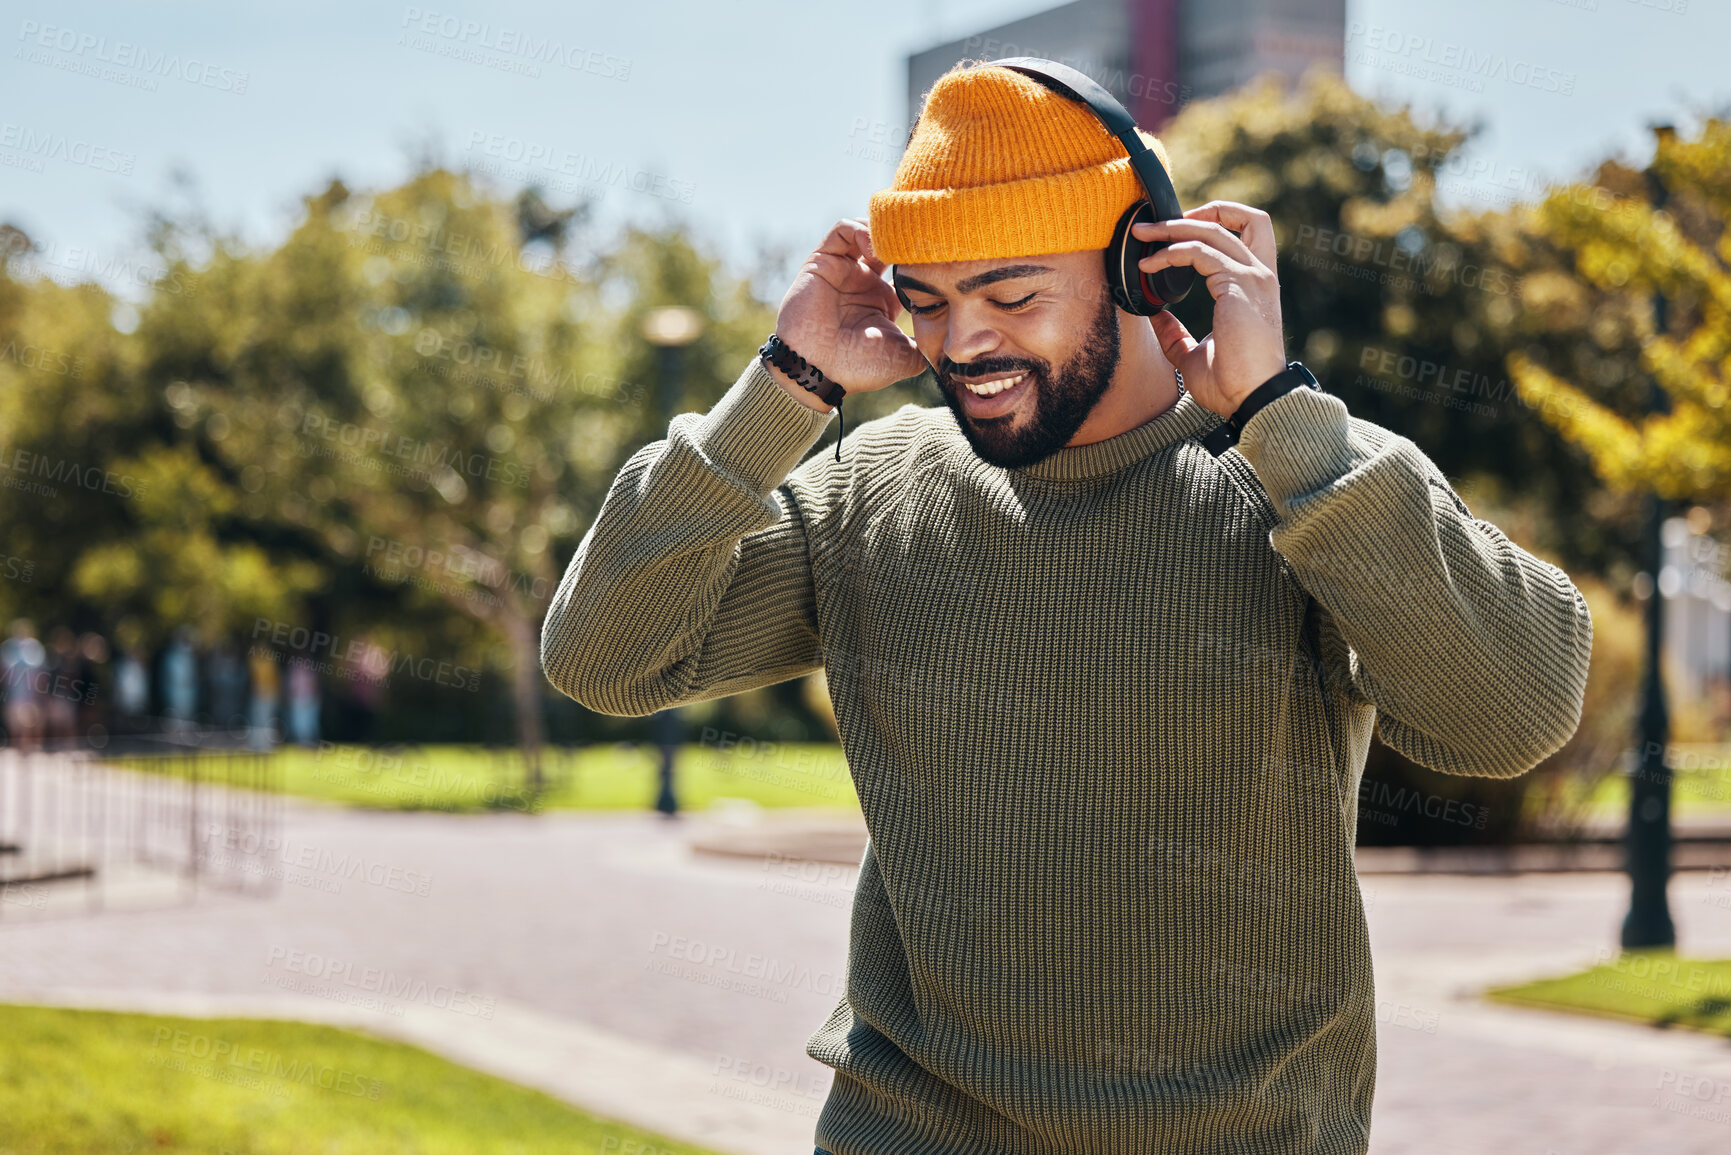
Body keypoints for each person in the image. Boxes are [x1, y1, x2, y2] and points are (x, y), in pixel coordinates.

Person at [540, 61, 1593, 1154]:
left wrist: (1281, 414)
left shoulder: (1305, 475)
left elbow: (1514, 713)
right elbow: (607, 658)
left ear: (1144, 270)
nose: (964, 346)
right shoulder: (873, 491)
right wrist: (784, 388)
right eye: (931, 300)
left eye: (1013, 294)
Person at [1, 619, 46, 752]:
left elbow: (40, 673)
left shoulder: (34, 647)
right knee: (15, 725)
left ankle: (33, 750)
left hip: (31, 695)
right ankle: (19, 749)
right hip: (15, 695)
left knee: (32, 723)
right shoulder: (8, 648)